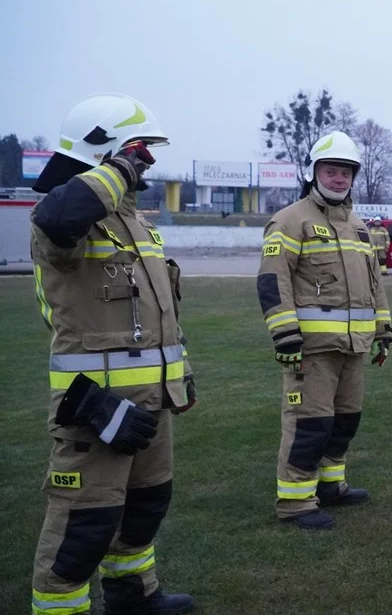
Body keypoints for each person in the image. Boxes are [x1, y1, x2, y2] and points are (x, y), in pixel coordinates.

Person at [28, 93, 196, 613]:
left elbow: (161, 312)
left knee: (146, 507)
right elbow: (59, 217)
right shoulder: (65, 218)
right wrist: (117, 167)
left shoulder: (137, 224)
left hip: (152, 403)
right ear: (105, 151)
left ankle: (133, 596)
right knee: (84, 525)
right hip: (94, 409)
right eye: (138, 151)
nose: (147, 163)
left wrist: (181, 372)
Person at [257, 130, 392, 529]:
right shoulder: (290, 220)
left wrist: (383, 328)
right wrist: (285, 334)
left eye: (345, 172)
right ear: (313, 172)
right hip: (312, 350)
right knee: (309, 425)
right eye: (331, 171)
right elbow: (272, 280)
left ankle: (331, 485)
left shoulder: (358, 227)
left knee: (345, 421)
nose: (339, 179)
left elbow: (374, 284)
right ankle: (296, 502)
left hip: (354, 346)